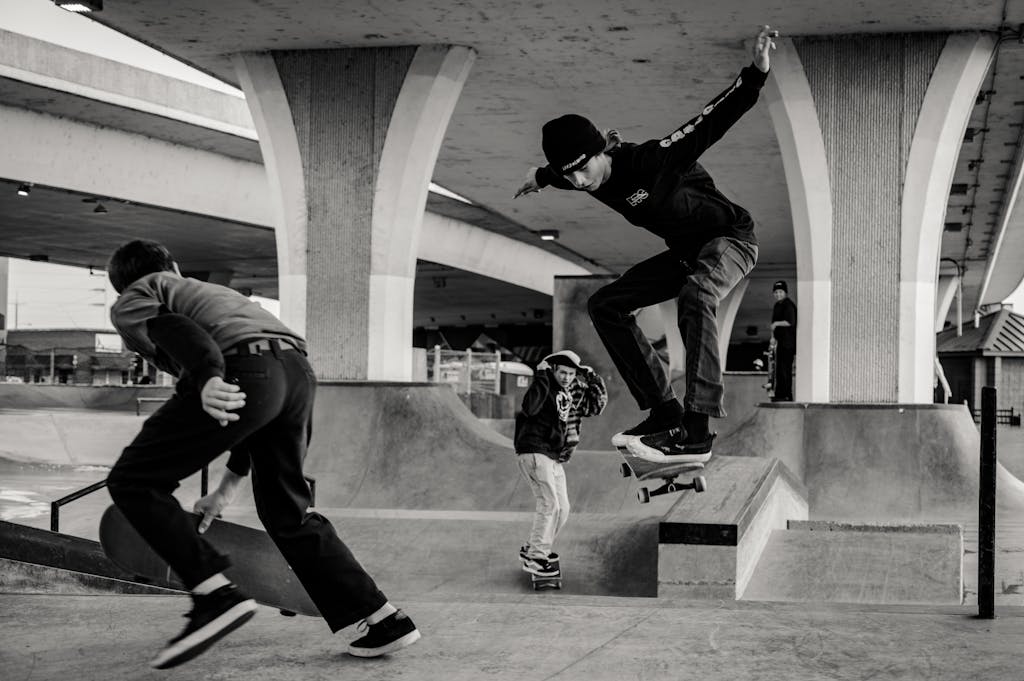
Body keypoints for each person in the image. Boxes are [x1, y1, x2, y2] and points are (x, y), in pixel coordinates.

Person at [103, 240, 419, 669]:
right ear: (175, 265)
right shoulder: (215, 295)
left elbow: (180, 333)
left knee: (133, 480)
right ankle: (384, 618)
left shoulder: (136, 296)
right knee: (289, 513)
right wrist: (224, 491)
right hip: (296, 375)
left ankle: (215, 594)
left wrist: (208, 376)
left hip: (238, 369)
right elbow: (255, 413)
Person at [515, 26, 778, 463]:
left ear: (602, 151)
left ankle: (696, 429)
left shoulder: (651, 161)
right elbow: (561, 172)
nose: (581, 181)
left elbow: (709, 122)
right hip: (685, 253)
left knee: (697, 293)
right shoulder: (576, 176)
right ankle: (664, 411)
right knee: (606, 305)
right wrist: (540, 178)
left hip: (731, 240)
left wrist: (755, 74)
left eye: (584, 169)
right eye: (570, 175)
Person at [514, 350, 607, 578]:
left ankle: (533, 548)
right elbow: (529, 407)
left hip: (555, 456)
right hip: (535, 449)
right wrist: (542, 377)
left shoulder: (573, 391)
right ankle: (536, 557)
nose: (566, 377)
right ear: (553, 371)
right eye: (562, 373)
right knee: (549, 504)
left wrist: (592, 377)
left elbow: (596, 406)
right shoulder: (544, 387)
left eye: (570, 374)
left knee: (562, 509)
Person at [769, 280, 796, 401]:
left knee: (785, 368)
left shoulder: (788, 305)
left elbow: (790, 321)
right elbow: (772, 325)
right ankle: (779, 393)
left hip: (788, 343)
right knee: (778, 369)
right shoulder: (777, 305)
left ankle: (786, 394)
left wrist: (776, 324)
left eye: (780, 292)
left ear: (785, 292)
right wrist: (772, 337)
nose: (778, 294)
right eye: (776, 292)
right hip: (779, 342)